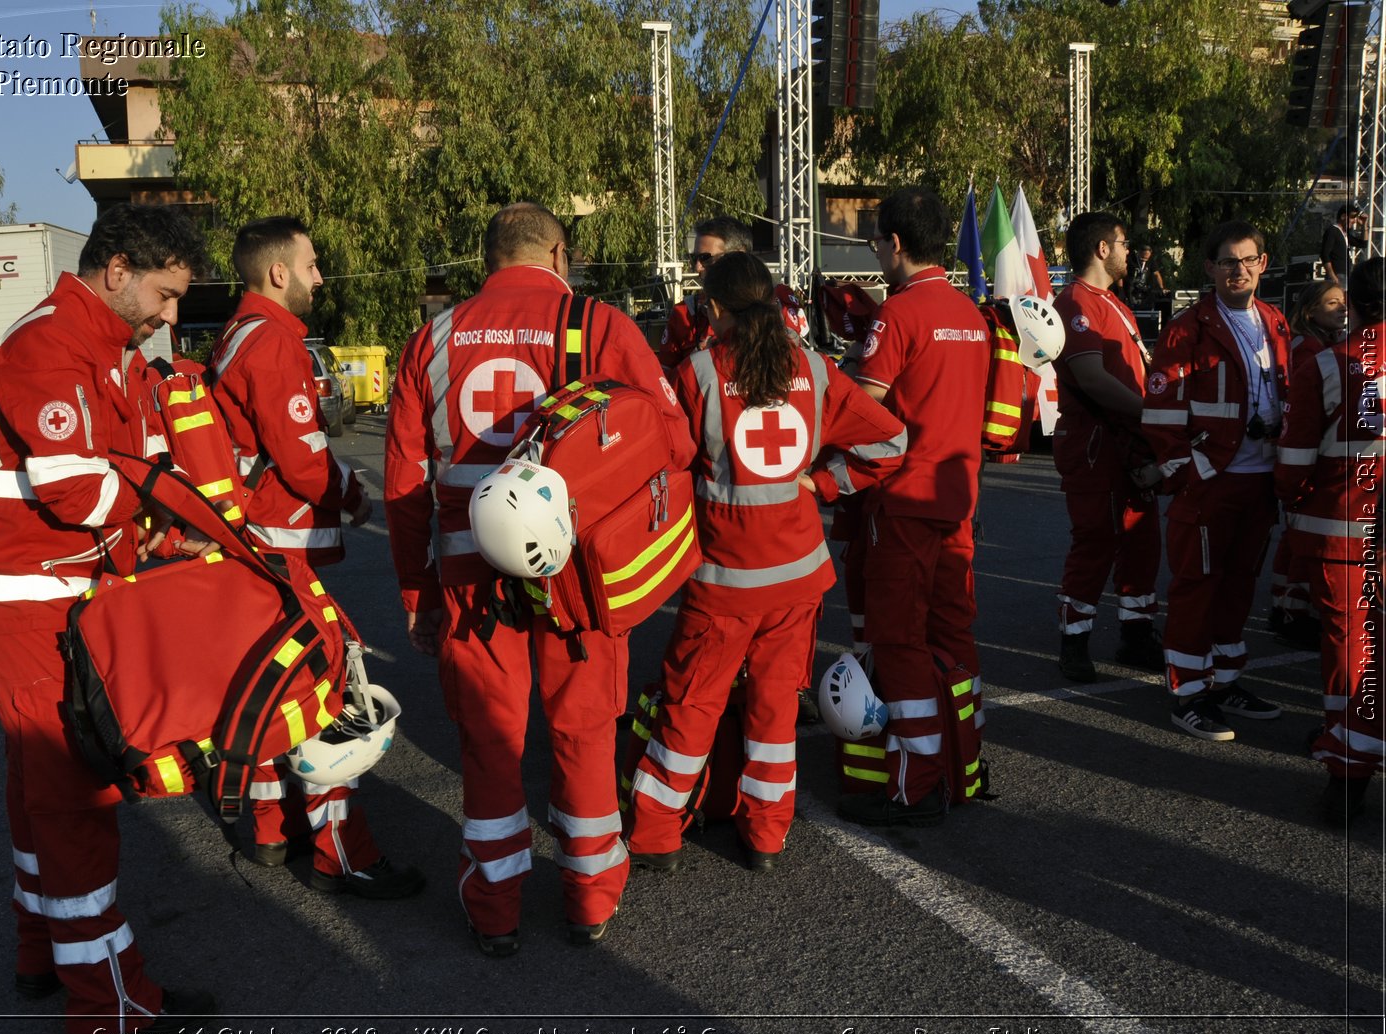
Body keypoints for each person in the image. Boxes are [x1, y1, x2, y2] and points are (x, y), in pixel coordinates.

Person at [384, 202, 695, 956]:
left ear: (488, 259)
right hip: (577, 575)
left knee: (490, 743)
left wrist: (418, 595)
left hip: (468, 579)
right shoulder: (598, 325)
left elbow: (403, 486)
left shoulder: (433, 339)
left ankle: (494, 908)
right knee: (584, 730)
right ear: (559, 252)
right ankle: (591, 896)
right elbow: (675, 438)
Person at [0, 204, 215, 1034]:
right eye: (165, 294)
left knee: (38, 787)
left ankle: (42, 948)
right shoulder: (49, 344)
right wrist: (155, 528)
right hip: (28, 598)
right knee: (74, 796)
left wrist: (170, 521)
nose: (171, 315)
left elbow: (136, 466)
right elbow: (80, 490)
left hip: (57, 591)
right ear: (116, 271)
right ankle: (111, 1007)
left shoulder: (111, 351)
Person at [623, 251, 907, 871]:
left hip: (725, 581)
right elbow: (891, 440)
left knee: (691, 705)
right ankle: (766, 836)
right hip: (799, 578)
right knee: (775, 711)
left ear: (716, 310)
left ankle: (653, 836)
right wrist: (825, 485)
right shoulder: (814, 366)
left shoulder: (696, 372)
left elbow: (659, 462)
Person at [207, 215, 422, 900]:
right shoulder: (271, 342)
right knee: (328, 691)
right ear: (278, 273)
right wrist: (354, 498)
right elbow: (301, 459)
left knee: (270, 688)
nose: (320, 276)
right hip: (278, 552)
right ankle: (343, 852)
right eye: (312, 263)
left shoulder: (237, 335)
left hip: (249, 548)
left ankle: (273, 826)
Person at [834, 186, 991, 828]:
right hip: (956, 502)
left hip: (901, 503)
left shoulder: (897, 315)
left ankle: (916, 780)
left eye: (875, 241)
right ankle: (967, 764)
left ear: (894, 243)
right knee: (954, 637)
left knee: (898, 640)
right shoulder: (972, 315)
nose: (875, 252)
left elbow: (862, 410)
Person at [1140, 219, 1291, 741]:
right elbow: (1159, 414)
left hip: (1261, 481)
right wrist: (1190, 473)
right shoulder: (1187, 328)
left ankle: (1225, 682)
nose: (1239, 269)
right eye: (1228, 261)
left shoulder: (1275, 322)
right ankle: (1187, 695)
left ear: (1263, 264)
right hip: (1210, 482)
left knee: (1239, 586)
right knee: (1195, 589)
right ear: (1210, 268)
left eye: (1249, 259)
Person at [1275, 255, 1384, 826]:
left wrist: (1292, 500)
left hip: (1342, 527)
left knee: (1349, 640)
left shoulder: (1331, 363)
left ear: (1359, 307)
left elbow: (1294, 458)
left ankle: (1343, 753)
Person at [1049, 211, 1164, 682]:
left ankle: (1136, 634)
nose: (1128, 250)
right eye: (1123, 242)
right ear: (1102, 249)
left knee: (1141, 539)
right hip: (1096, 443)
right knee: (1096, 541)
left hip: (1128, 441)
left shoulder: (1110, 301)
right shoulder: (1076, 301)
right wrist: (1150, 412)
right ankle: (1074, 643)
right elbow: (1092, 379)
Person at [1269, 279, 1349, 645]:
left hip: (1305, 453)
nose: (1342, 308)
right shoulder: (1310, 349)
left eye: (1344, 302)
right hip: (1307, 457)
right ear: (1310, 310)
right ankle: (1291, 609)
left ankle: (1286, 603)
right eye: (1332, 303)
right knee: (1301, 536)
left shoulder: (1320, 343)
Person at [657, 215, 809, 368]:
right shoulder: (685, 313)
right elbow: (666, 379)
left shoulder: (778, 303)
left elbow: (794, 366)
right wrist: (699, 361)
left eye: (705, 258)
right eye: (694, 258)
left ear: (738, 256)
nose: (697, 267)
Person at [1320, 204, 1361, 289]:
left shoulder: (1345, 234)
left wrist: (1364, 225)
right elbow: (1324, 254)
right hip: (1337, 274)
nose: (1354, 221)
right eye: (1352, 217)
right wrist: (1332, 276)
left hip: (1346, 274)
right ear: (1343, 216)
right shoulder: (1333, 231)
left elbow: (1363, 243)